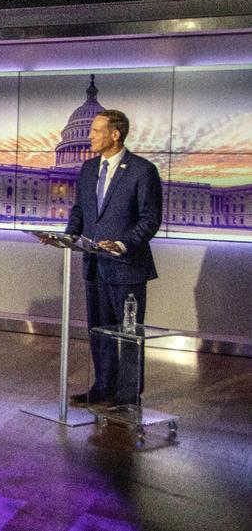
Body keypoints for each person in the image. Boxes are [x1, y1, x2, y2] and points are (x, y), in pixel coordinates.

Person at [64, 109, 161, 407]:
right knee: (99, 329)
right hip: (94, 264)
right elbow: (80, 210)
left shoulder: (142, 170)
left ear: (115, 134)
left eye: (96, 131)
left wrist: (122, 244)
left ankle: (129, 394)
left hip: (127, 266)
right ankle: (104, 386)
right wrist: (68, 235)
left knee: (129, 334)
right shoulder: (88, 168)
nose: (90, 136)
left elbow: (150, 218)